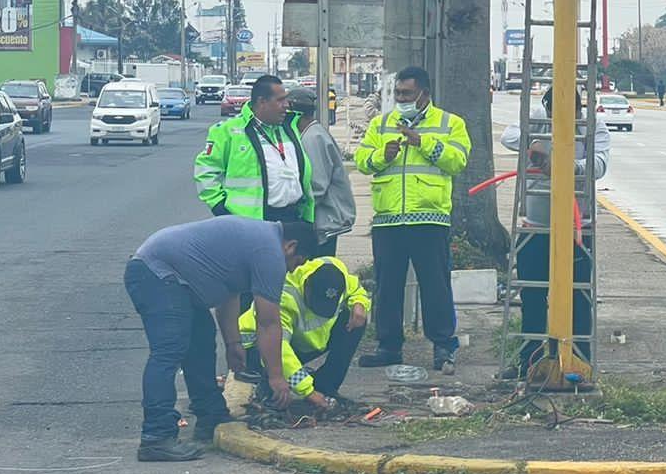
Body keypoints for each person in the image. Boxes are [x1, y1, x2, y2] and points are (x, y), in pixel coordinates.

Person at [124, 216, 313, 462]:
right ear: (291, 246)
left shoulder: (259, 240)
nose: (293, 269)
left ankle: (210, 418)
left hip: (174, 279)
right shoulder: (269, 252)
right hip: (157, 274)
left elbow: (229, 294)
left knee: (201, 342)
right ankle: (156, 438)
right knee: (168, 352)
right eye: (298, 262)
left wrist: (233, 344)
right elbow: (267, 322)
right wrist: (277, 377)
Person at [352, 66, 471, 373]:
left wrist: (424, 143)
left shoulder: (450, 123)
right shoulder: (381, 124)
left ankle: (443, 346)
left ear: (424, 94)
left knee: (435, 285)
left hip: (429, 217)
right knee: (387, 286)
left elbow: (458, 161)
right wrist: (383, 155)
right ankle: (389, 346)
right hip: (389, 218)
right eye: (398, 93)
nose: (401, 99)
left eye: (407, 93)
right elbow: (362, 161)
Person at [502, 86, 609, 375]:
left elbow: (598, 165)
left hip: (577, 227)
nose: (560, 119)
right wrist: (533, 146)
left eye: (568, 114)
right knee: (533, 298)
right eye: (554, 113)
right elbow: (508, 136)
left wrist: (564, 166)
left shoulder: (592, 124)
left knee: (577, 297)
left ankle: (579, 361)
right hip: (537, 224)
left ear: (578, 109)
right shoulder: (539, 117)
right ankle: (529, 362)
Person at [237, 255, 369, 410]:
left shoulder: (334, 271)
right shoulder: (284, 296)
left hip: (306, 342)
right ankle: (267, 386)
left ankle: (326, 386)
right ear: (307, 287)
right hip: (260, 347)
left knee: (356, 318)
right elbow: (278, 348)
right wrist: (308, 391)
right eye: (317, 303)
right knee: (276, 384)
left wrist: (359, 303)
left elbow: (355, 288)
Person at [196, 75, 314, 224]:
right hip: (252, 222)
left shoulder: (290, 126)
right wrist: (221, 208)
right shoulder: (228, 131)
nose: (286, 105)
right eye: (280, 100)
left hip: (293, 217)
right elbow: (205, 172)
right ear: (262, 102)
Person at [287, 88, 354, 257]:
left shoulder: (313, 138)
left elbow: (316, 186)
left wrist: (294, 208)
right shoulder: (310, 134)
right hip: (320, 222)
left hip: (323, 223)